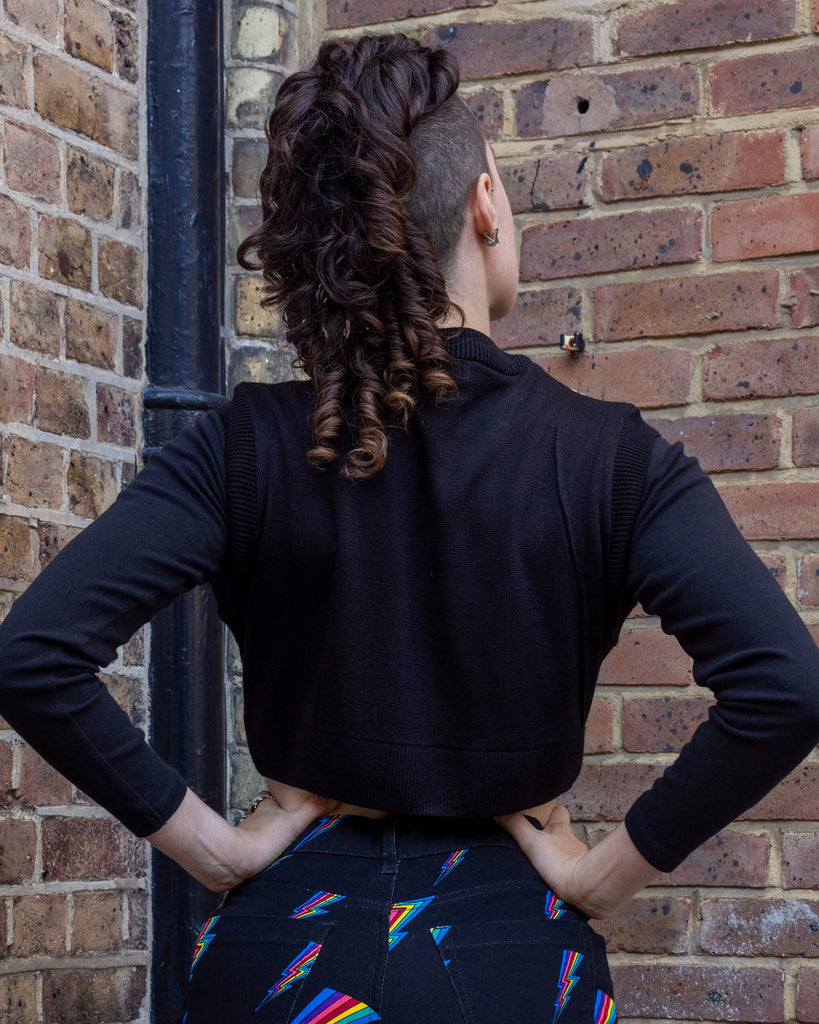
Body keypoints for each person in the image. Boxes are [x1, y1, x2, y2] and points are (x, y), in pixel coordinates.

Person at [1, 31, 819, 1023]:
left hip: (285, 956)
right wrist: (605, 873)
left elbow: (35, 653)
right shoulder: (607, 455)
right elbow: (784, 685)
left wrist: (217, 847)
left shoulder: (246, 445)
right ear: (484, 204)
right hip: (513, 959)